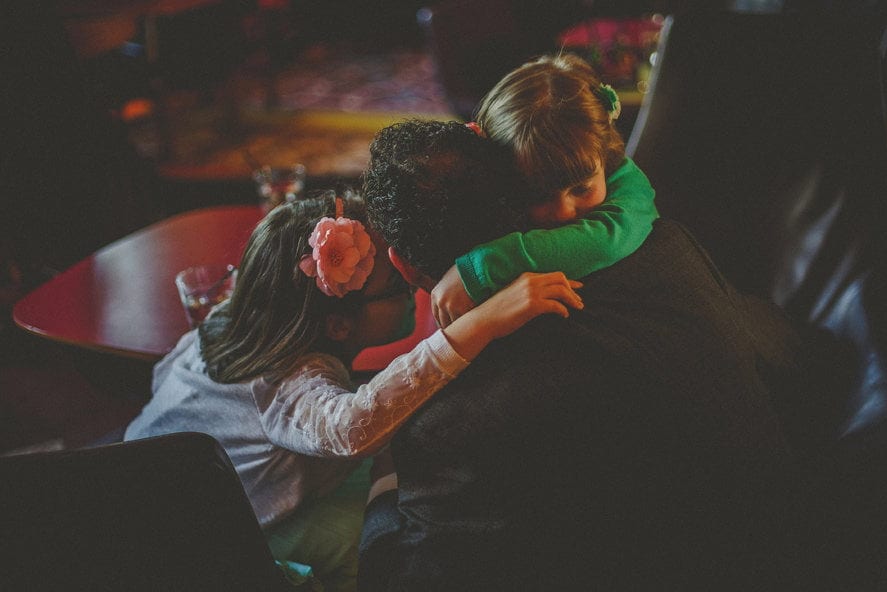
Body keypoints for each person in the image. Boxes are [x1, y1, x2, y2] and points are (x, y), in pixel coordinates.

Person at [359, 119, 819, 590]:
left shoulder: (444, 426)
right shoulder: (665, 244)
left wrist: (380, 495)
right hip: (797, 541)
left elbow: (411, 576)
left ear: (403, 265)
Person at [124, 190, 582, 591]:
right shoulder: (289, 381)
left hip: (144, 484)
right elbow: (351, 429)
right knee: (365, 543)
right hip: (211, 536)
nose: (410, 284)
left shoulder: (234, 319)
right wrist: (478, 325)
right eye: (396, 285)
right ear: (339, 324)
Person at [430, 53, 658, 328]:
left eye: (582, 189)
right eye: (537, 195)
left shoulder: (631, 185)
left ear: (605, 149)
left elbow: (604, 240)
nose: (563, 212)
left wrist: (480, 269)